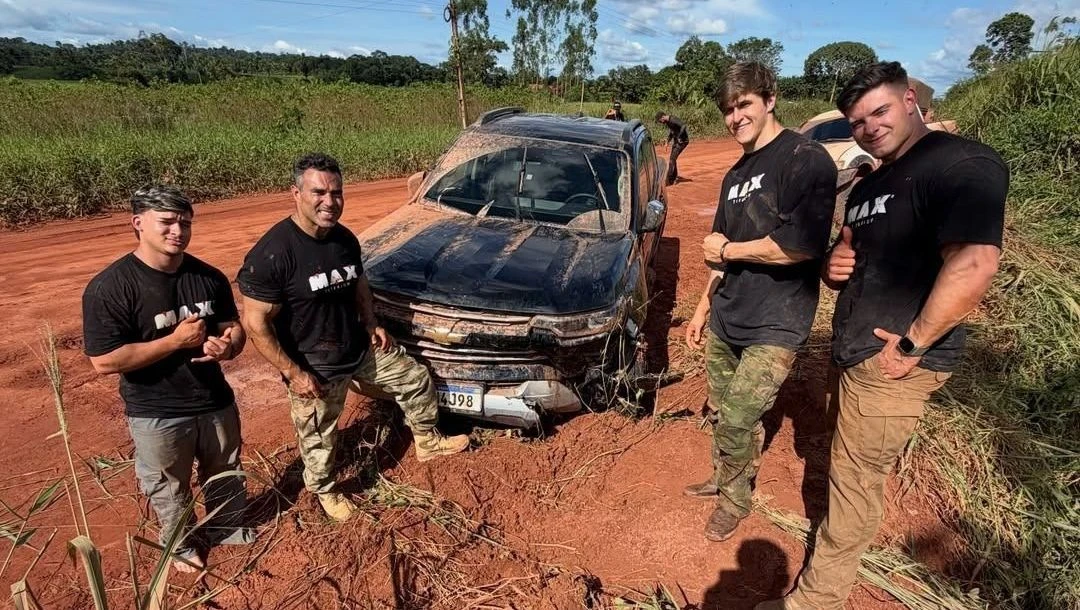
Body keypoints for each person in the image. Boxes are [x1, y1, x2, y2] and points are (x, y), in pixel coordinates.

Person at [757, 61, 1006, 609]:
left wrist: (914, 344)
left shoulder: (958, 162)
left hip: (891, 359)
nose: (868, 127)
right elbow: (849, 255)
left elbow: (974, 263)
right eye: (857, 120)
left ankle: (813, 601)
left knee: (854, 481)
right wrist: (834, 263)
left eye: (880, 111)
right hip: (854, 352)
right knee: (845, 468)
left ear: (911, 100)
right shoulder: (876, 179)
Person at [236, 153, 470, 522]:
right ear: (295, 193)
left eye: (337, 193)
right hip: (315, 367)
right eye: (319, 192)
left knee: (414, 378)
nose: (329, 202)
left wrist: (371, 322)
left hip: (358, 348)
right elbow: (256, 324)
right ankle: (326, 490)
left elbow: (358, 281)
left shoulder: (343, 239)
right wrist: (293, 372)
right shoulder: (271, 255)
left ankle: (426, 440)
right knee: (319, 437)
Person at [683, 62, 837, 542]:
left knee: (738, 414)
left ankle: (735, 499)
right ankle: (723, 474)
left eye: (744, 103)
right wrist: (701, 310)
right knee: (720, 407)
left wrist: (728, 250)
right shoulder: (734, 174)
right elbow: (718, 254)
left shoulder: (805, 159)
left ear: (769, 99)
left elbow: (800, 245)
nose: (735, 117)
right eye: (728, 109)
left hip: (777, 321)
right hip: (729, 313)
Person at [82, 185, 253, 573]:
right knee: (170, 488)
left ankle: (226, 529)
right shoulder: (111, 288)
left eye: (185, 223)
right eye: (168, 222)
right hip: (157, 411)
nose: (178, 230)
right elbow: (105, 360)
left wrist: (228, 346)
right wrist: (174, 341)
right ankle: (181, 545)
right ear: (138, 224)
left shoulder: (207, 277)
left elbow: (233, 327)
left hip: (215, 401)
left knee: (225, 470)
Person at [655, 111, 689, 185]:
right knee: (672, 158)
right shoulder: (668, 122)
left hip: (683, 141)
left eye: (660, 121)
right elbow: (672, 132)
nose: (661, 123)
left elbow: (683, 126)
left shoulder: (673, 119)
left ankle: (669, 179)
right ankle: (673, 177)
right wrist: (667, 141)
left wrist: (680, 136)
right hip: (677, 142)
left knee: (672, 159)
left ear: (662, 117)